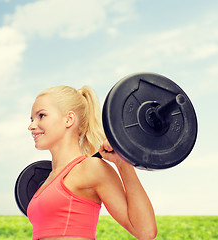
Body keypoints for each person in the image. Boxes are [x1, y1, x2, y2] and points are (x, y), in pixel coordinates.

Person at [27, 85, 157, 240]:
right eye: (31, 119)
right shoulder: (48, 180)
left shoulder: (91, 168)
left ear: (69, 119)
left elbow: (145, 231)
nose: (31, 126)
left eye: (41, 116)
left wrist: (123, 164)